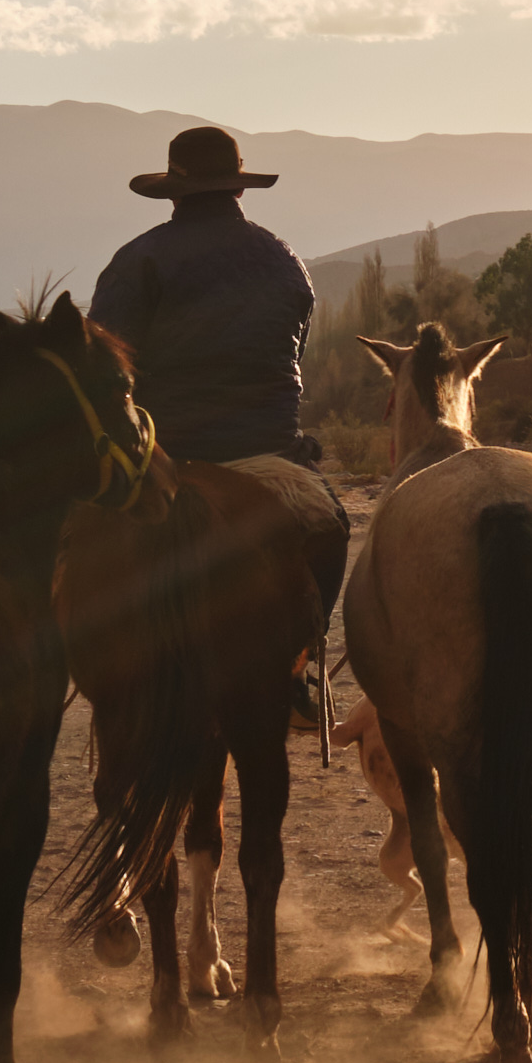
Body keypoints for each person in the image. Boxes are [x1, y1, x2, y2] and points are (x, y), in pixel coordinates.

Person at [86, 125, 352, 703]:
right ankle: (301, 666)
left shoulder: (138, 260)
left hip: (167, 452)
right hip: (268, 451)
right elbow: (291, 358)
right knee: (331, 528)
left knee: (69, 547)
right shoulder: (285, 262)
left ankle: (64, 664)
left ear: (175, 191)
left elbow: (107, 368)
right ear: (237, 187)